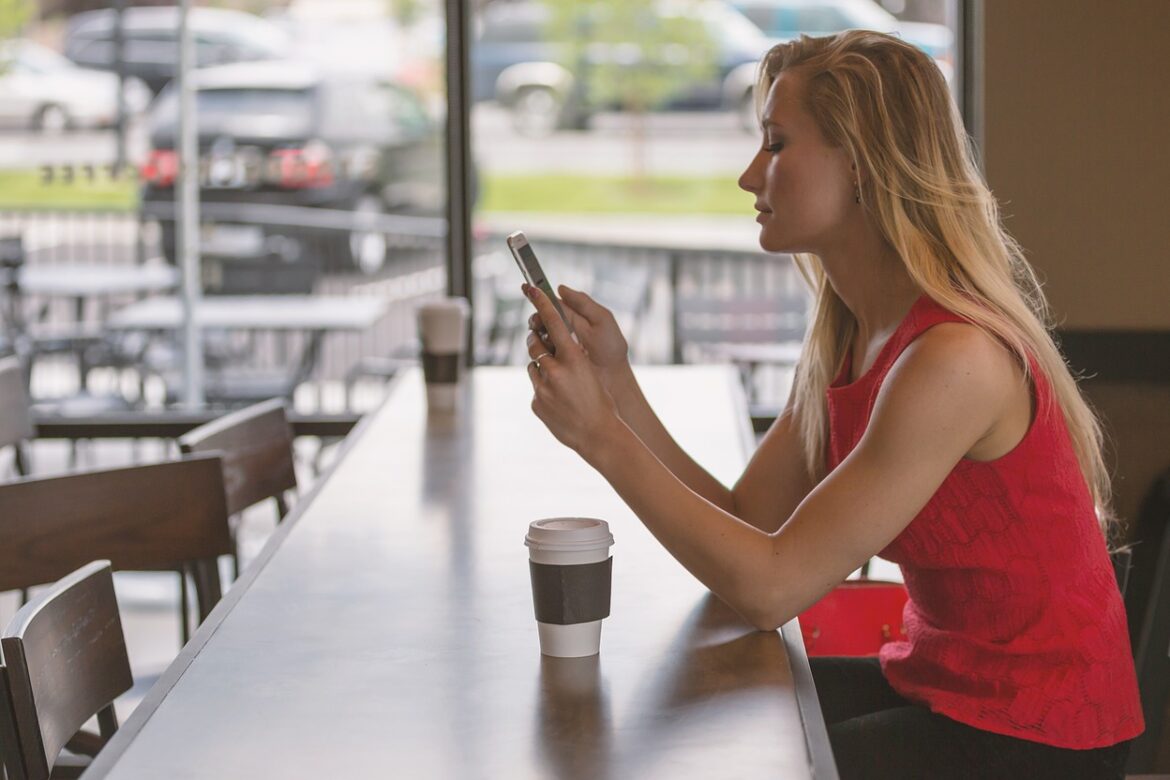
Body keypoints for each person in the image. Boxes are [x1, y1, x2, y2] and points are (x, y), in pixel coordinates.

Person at [519, 29, 1144, 780]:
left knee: (726, 757)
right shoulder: (853, 335)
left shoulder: (954, 359)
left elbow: (769, 588)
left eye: (777, 145)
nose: (751, 176)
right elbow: (753, 526)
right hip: (942, 686)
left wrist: (602, 440)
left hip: (1038, 737)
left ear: (863, 167)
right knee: (709, 714)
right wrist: (617, 392)